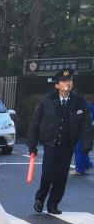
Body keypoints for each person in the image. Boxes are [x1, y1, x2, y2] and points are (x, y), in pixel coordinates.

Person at [26, 69, 93, 213]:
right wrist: (32, 145)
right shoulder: (47, 101)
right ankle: (40, 199)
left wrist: (86, 144)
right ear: (57, 85)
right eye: (63, 81)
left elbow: (86, 124)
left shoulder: (79, 101)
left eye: (70, 80)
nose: (68, 83)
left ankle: (53, 204)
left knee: (61, 176)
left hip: (68, 145)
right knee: (48, 174)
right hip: (51, 144)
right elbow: (35, 123)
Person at [74, 92, 94, 175]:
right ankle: (86, 164)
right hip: (90, 129)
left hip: (80, 130)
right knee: (85, 147)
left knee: (79, 149)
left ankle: (80, 168)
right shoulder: (90, 106)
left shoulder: (77, 107)